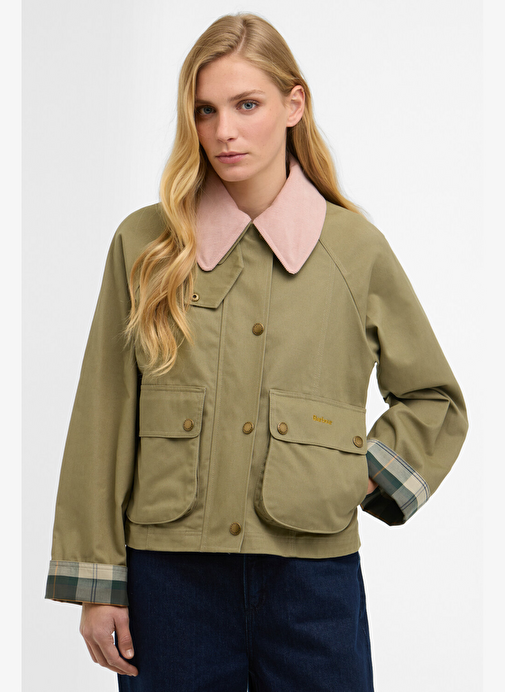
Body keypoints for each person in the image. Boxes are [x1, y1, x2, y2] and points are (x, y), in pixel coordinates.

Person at [45, 12, 468, 692]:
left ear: (293, 104)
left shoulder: (353, 250)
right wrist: (97, 584)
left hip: (311, 581)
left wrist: (355, 478)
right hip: (169, 583)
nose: (224, 131)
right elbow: (104, 414)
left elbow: (434, 400)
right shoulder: (145, 245)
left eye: (247, 105)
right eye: (205, 110)